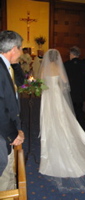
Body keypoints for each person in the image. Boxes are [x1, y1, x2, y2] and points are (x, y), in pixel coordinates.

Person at [39, 49, 85, 192]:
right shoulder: (58, 67)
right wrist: (58, 86)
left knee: (49, 118)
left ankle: (51, 138)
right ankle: (64, 135)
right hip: (56, 95)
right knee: (62, 117)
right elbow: (65, 82)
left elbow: (41, 82)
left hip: (47, 96)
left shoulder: (44, 68)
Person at [0, 30, 25, 191]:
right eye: (21, 49)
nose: (22, 53)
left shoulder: (6, 66)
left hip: (7, 130)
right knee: (6, 179)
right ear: (14, 49)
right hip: (3, 136)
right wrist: (13, 134)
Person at [64, 46, 85, 131]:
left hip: (70, 92)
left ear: (71, 54)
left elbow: (64, 80)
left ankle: (71, 129)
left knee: (70, 111)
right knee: (79, 110)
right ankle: (82, 129)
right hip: (81, 92)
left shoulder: (66, 64)